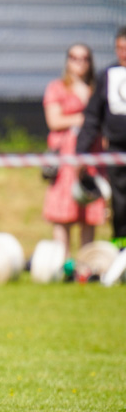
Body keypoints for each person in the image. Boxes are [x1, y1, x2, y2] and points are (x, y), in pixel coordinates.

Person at [41, 44, 106, 254]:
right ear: (67, 61)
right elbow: (54, 120)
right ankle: (62, 262)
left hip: (91, 156)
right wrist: (82, 118)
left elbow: (103, 120)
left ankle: (86, 266)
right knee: (62, 213)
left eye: (84, 58)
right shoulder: (57, 87)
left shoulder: (96, 89)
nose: (79, 63)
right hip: (66, 158)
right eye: (74, 58)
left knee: (89, 212)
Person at [76, 26, 126, 250]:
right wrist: (81, 153)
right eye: (119, 48)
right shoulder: (108, 76)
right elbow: (92, 117)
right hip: (116, 150)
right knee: (120, 203)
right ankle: (121, 248)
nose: (123, 53)